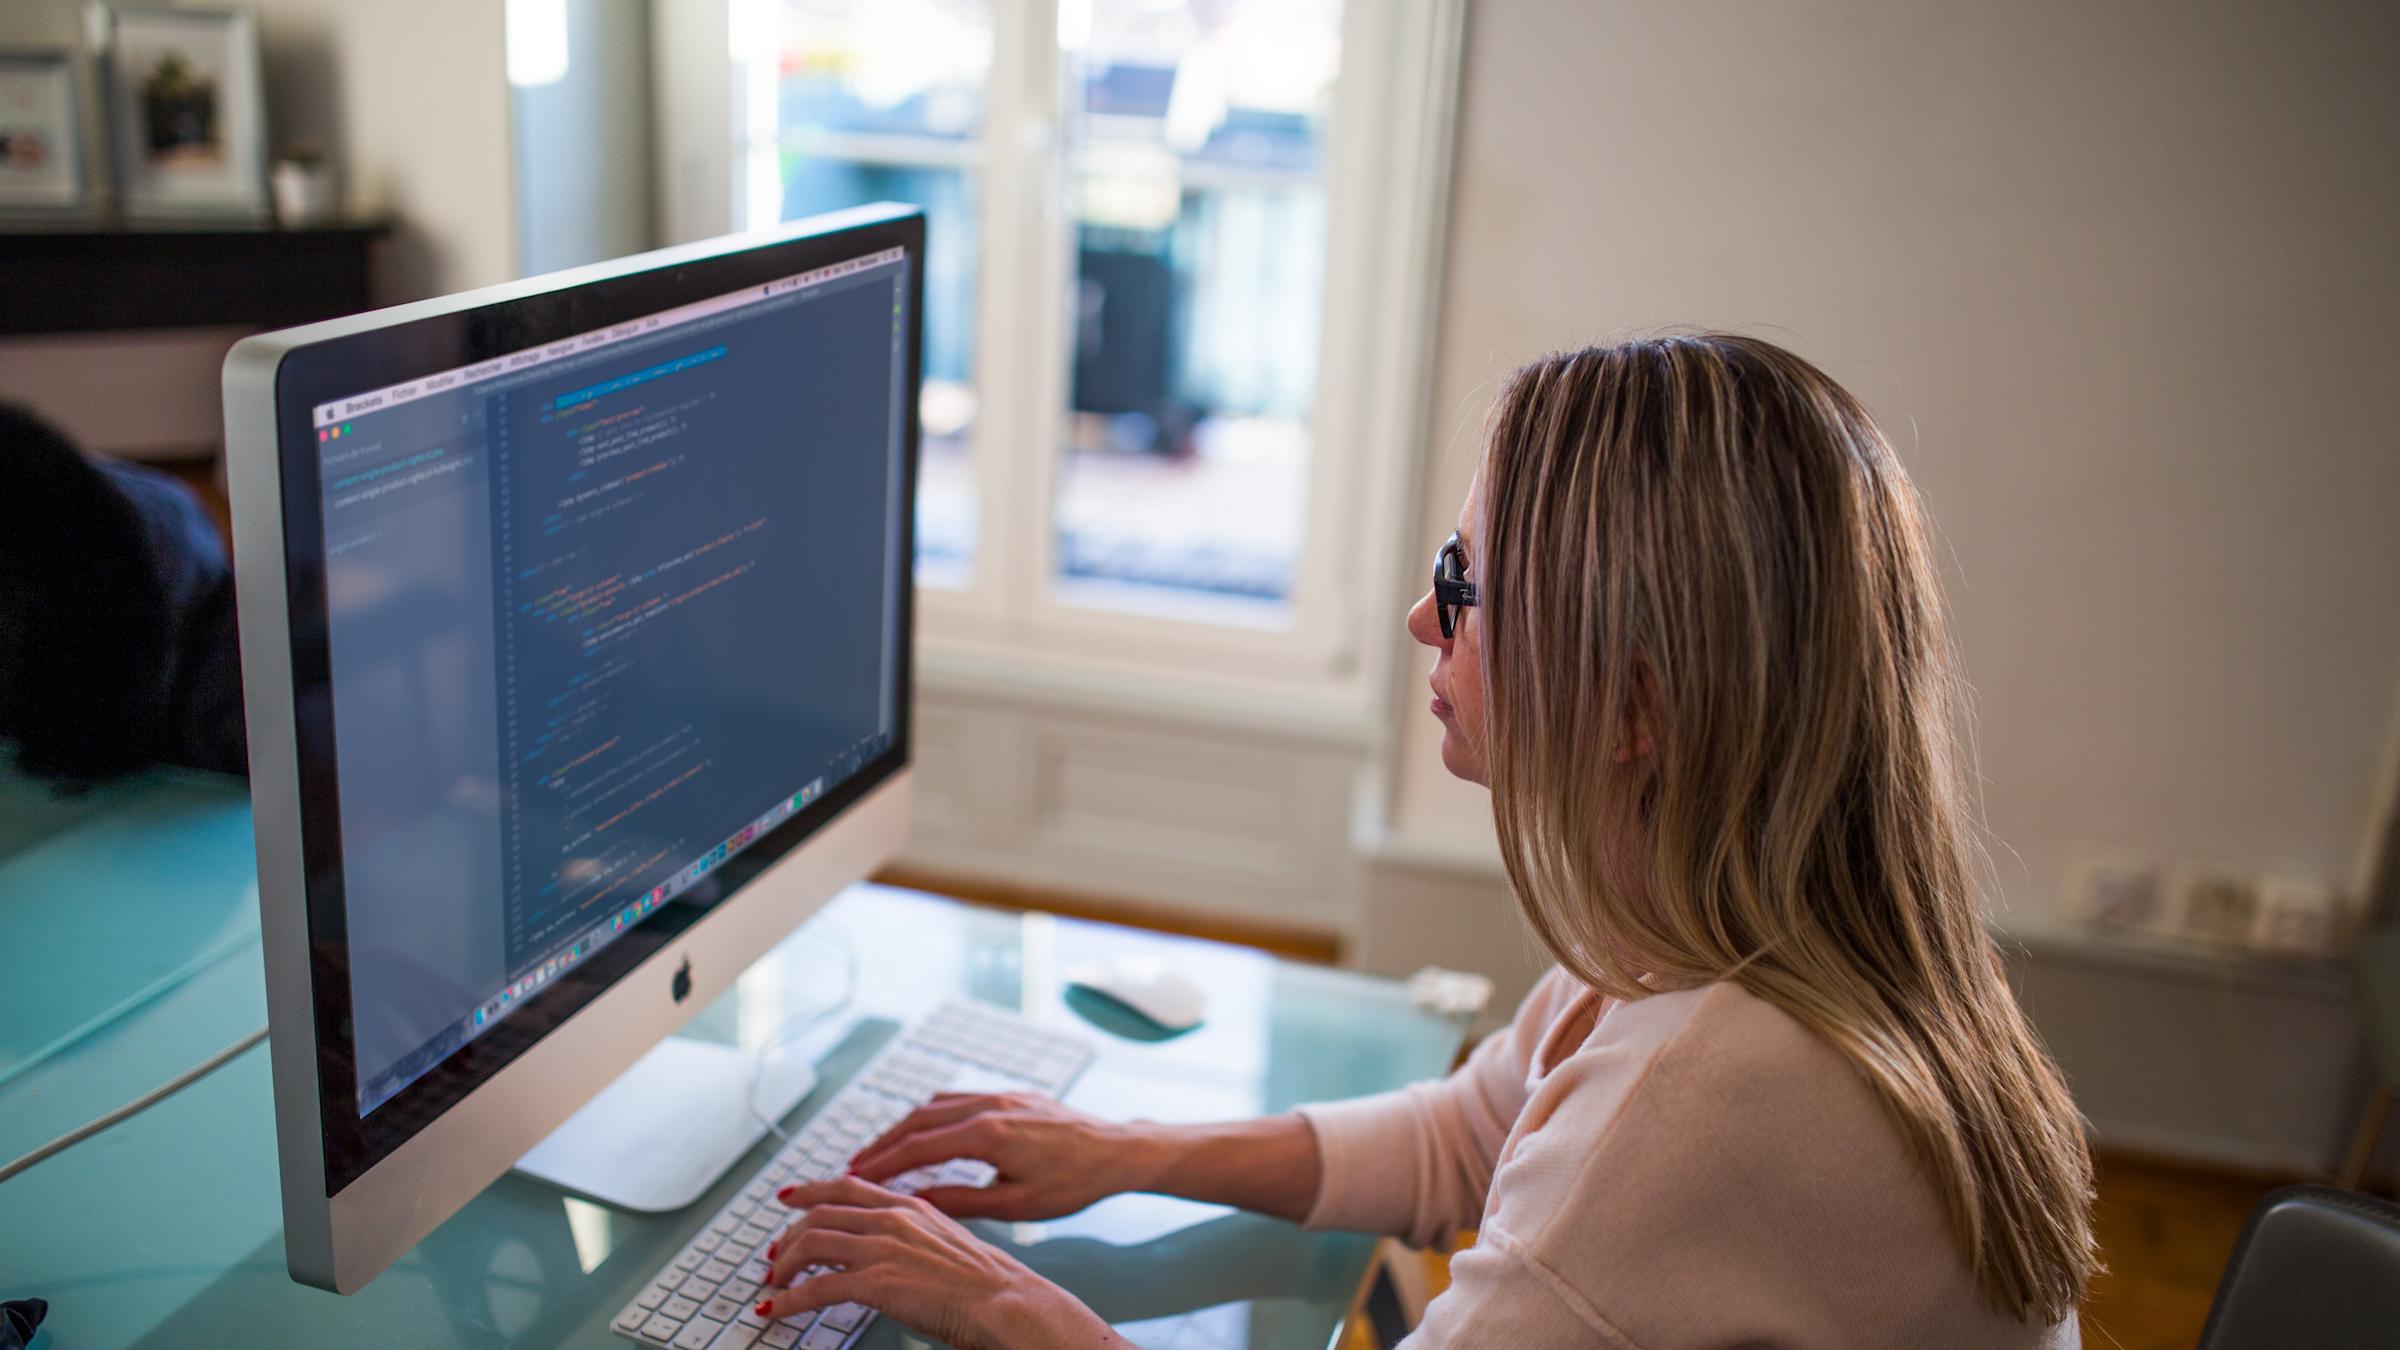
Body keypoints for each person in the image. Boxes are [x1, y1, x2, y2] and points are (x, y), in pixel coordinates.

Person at [752, 335, 2098, 1349]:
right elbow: (1467, 1133)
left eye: (1463, 584)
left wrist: (1001, 1299)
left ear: (1632, 704)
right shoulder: (1744, 923)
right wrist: (1130, 1148)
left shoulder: (1713, 1093)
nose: (1419, 617)